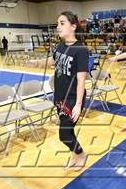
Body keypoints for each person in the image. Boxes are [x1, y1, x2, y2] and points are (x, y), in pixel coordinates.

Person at [26, 11, 88, 171]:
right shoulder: (60, 46)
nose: (57, 27)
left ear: (73, 26)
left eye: (62, 23)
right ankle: (76, 155)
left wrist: (78, 105)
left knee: (64, 135)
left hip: (73, 99)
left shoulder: (80, 50)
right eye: (57, 23)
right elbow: (53, 60)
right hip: (60, 96)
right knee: (68, 131)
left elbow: (82, 80)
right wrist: (37, 62)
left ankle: (80, 154)